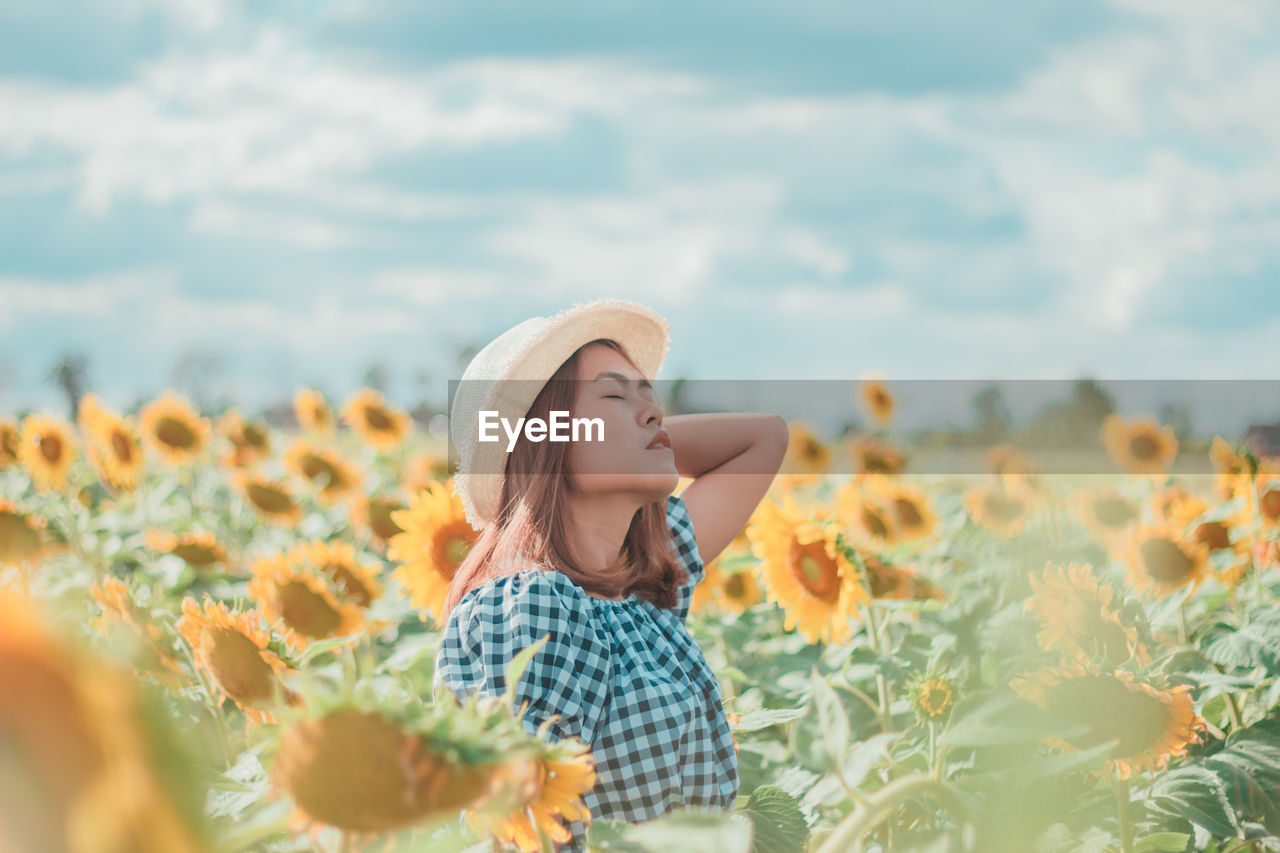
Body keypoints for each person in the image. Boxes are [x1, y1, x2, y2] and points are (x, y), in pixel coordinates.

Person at [434, 298, 788, 851]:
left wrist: (635, 432)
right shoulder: (535, 604)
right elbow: (525, 831)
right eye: (615, 395)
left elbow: (765, 437)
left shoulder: (641, 590)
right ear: (544, 435)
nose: (653, 413)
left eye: (650, 395)